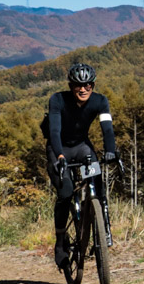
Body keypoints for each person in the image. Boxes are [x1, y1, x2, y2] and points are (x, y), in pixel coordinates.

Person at [43, 62, 118, 270]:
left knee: (97, 182)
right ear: (71, 86)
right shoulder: (57, 100)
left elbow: (107, 130)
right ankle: (60, 243)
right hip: (59, 149)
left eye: (88, 85)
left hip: (82, 147)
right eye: (78, 85)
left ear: (93, 85)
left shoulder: (100, 101)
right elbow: (55, 131)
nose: (83, 89)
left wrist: (110, 150)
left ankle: (104, 231)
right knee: (66, 192)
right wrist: (58, 156)